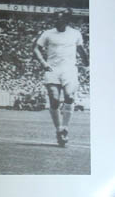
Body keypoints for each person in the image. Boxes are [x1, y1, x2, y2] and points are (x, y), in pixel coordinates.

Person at [33, 9, 89, 147]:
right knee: (55, 99)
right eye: (56, 19)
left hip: (69, 70)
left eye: (60, 19)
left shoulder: (75, 34)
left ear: (66, 20)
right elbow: (35, 48)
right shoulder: (48, 34)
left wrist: (88, 65)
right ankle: (59, 129)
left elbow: (81, 51)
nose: (57, 21)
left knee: (69, 96)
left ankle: (64, 128)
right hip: (52, 69)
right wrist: (43, 63)